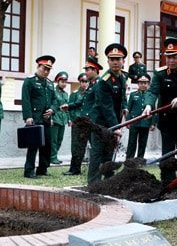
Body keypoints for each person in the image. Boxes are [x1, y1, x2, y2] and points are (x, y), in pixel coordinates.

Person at [143, 37, 177, 187]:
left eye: (174, 57)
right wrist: (149, 105)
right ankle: (167, 183)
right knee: (167, 154)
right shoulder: (160, 74)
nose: (170, 60)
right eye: (168, 57)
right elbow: (152, 91)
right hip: (167, 121)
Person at [88, 44, 128, 184]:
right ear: (107, 61)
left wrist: (125, 107)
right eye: (112, 59)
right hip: (100, 122)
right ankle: (93, 183)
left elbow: (122, 97)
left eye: (118, 59)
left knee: (109, 152)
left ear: (123, 61)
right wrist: (116, 127)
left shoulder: (122, 78)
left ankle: (108, 181)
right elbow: (107, 107)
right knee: (97, 152)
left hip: (112, 120)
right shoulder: (104, 81)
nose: (115, 62)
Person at [61, 58, 102, 176]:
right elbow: (82, 101)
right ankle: (75, 168)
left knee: (94, 146)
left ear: (95, 70)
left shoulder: (98, 85)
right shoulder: (91, 85)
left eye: (88, 70)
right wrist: (68, 106)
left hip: (91, 120)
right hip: (84, 120)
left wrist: (90, 117)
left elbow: (98, 103)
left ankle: (96, 169)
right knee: (78, 144)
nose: (86, 72)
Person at [21, 55, 57, 179]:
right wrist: (28, 117)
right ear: (38, 67)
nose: (46, 72)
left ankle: (42, 169)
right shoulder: (30, 81)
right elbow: (25, 100)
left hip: (46, 119)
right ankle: (29, 170)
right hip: (35, 118)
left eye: (48, 69)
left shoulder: (50, 84)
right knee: (33, 145)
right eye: (44, 68)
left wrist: (53, 109)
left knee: (47, 145)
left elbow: (54, 99)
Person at [125, 74, 156, 159]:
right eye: (141, 83)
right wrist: (127, 121)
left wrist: (153, 123)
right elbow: (128, 109)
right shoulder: (132, 95)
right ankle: (129, 159)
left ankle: (140, 159)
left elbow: (154, 111)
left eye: (145, 83)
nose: (143, 85)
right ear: (138, 84)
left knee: (142, 142)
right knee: (132, 142)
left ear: (148, 84)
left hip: (145, 123)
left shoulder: (150, 96)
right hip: (134, 122)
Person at [50, 71, 70, 164]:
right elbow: (50, 105)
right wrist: (50, 118)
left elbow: (68, 107)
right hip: (55, 117)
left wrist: (69, 119)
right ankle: (52, 157)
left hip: (63, 118)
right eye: (62, 81)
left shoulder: (65, 94)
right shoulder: (53, 92)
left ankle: (54, 155)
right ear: (57, 82)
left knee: (59, 139)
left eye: (65, 82)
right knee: (53, 139)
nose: (64, 84)